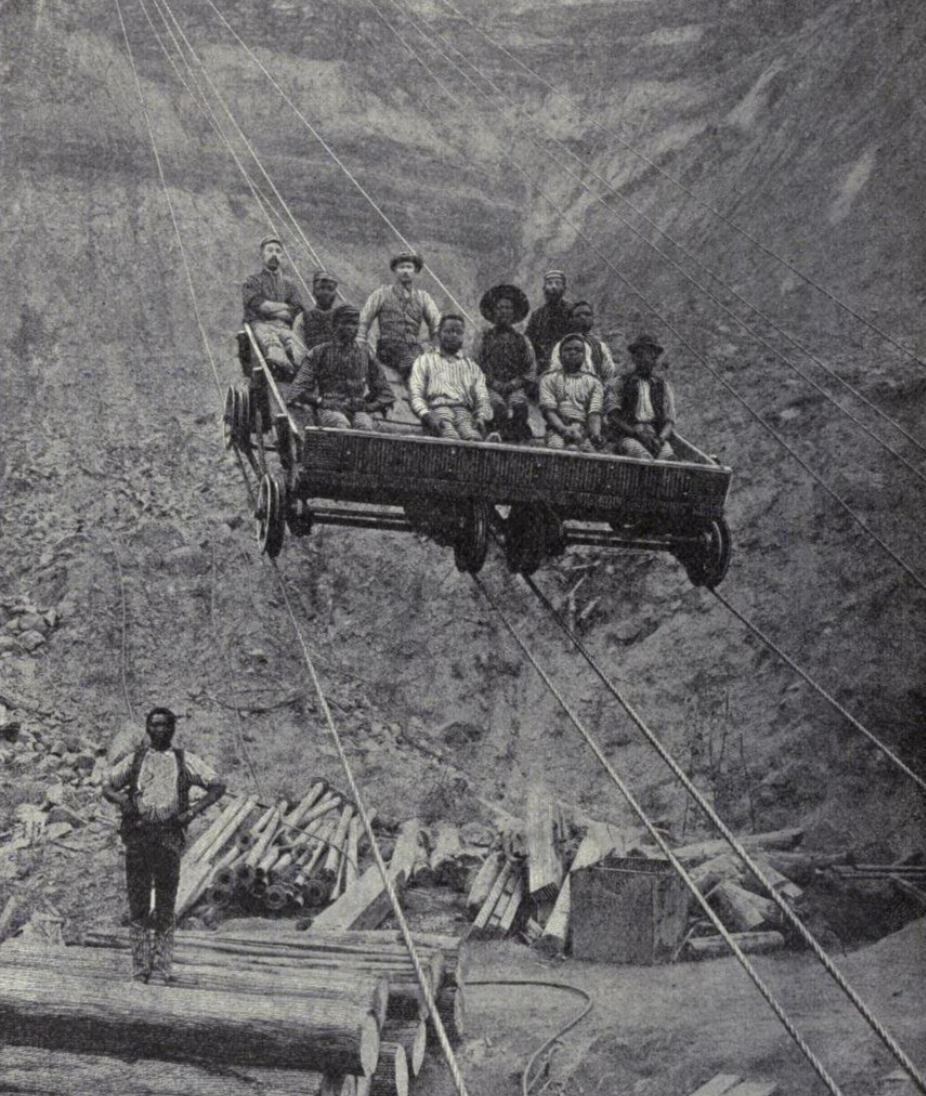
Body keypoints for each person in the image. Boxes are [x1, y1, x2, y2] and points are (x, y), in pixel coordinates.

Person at [104, 708, 226, 984]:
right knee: (137, 902)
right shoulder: (135, 760)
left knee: (166, 902)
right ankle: (139, 967)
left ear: (173, 729)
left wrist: (191, 813)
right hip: (138, 837)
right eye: (154, 725)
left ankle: (161, 967)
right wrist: (121, 800)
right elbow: (107, 785)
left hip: (170, 838)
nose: (159, 730)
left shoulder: (185, 760)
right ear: (147, 729)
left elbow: (218, 785)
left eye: (165, 725)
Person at [288, 304, 394, 429]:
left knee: (365, 428)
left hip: (357, 410)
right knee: (340, 424)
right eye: (345, 323)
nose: (350, 328)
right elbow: (297, 390)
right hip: (329, 409)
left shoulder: (365, 355)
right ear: (333, 325)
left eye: (354, 324)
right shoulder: (318, 352)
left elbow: (386, 393)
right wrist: (322, 401)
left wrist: (367, 406)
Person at [357, 251, 441, 380]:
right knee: (413, 365)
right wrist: (360, 343)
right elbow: (364, 320)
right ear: (395, 271)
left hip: (414, 348)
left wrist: (436, 347)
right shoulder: (381, 294)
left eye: (409, 267)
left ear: (416, 271)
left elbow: (436, 323)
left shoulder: (423, 297)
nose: (405, 271)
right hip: (388, 347)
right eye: (401, 267)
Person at [409, 314, 494, 441]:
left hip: (464, 412)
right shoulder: (425, 361)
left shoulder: (471, 367)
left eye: (458, 332)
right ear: (439, 334)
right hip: (438, 410)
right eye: (448, 331)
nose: (453, 335)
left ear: (463, 336)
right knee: (449, 438)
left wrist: (481, 417)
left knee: (473, 439)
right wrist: (426, 414)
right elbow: (416, 393)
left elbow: (482, 396)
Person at [472, 284, 537, 442]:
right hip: (489, 385)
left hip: (515, 385)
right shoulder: (483, 337)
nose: (504, 312)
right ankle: (494, 433)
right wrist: (491, 381)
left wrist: (516, 383)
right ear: (494, 312)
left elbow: (530, 368)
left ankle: (515, 435)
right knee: (496, 405)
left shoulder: (522, 340)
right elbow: (474, 365)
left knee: (519, 404)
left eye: (508, 308)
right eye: (500, 308)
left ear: (514, 312)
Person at [242, 234, 306, 380]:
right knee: (272, 344)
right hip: (260, 325)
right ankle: (281, 368)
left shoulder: (290, 284)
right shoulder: (252, 281)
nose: (274, 255)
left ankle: (299, 376)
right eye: (270, 250)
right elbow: (261, 306)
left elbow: (297, 312)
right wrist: (285, 307)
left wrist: (273, 309)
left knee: (297, 347)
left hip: (284, 327)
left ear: (282, 257)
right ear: (262, 255)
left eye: (278, 251)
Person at [604, 334, 676, 460]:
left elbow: (669, 419)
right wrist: (636, 434)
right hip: (627, 435)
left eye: (654, 355)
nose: (651, 358)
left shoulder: (662, 386)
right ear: (635, 357)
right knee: (642, 457)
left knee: (669, 459)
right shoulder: (620, 382)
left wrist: (660, 439)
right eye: (645, 353)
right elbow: (613, 416)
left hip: (655, 436)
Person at [538, 333, 604, 451]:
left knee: (590, 453)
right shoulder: (549, 379)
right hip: (557, 430)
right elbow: (549, 410)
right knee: (556, 447)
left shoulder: (594, 382)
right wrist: (563, 429)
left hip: (583, 431)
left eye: (578, 350)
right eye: (568, 349)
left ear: (584, 355)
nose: (572, 353)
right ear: (560, 355)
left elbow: (594, 412)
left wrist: (595, 435)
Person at [548, 301, 617, 385]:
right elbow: (555, 372)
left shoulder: (599, 345)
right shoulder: (562, 345)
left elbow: (608, 372)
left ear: (592, 319)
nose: (583, 317)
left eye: (587, 314)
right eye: (578, 315)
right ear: (571, 320)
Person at [525, 269, 573, 372]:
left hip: (569, 363)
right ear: (544, 288)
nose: (553, 287)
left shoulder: (572, 312)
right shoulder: (537, 315)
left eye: (558, 283)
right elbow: (529, 341)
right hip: (543, 365)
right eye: (550, 283)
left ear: (564, 288)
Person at [293, 270, 340, 355]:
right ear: (314, 292)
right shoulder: (302, 318)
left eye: (330, 289)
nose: (326, 293)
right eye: (321, 288)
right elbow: (298, 352)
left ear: (335, 293)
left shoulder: (343, 319)